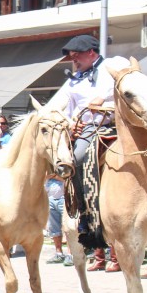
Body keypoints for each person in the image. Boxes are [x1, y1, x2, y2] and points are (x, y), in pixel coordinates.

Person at [45, 35, 116, 236]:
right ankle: (85, 211)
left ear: (91, 53)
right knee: (75, 159)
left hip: (120, 121)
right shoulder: (72, 82)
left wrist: (104, 97)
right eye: (72, 57)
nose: (73, 61)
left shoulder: (112, 65)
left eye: (76, 56)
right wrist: (69, 127)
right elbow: (58, 108)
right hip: (90, 129)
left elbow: (130, 76)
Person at [45, 174, 73, 265]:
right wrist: (48, 176)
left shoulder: (64, 166)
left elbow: (70, 180)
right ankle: (59, 253)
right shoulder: (48, 168)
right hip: (50, 199)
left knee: (67, 227)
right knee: (54, 228)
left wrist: (57, 177)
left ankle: (70, 254)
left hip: (63, 198)